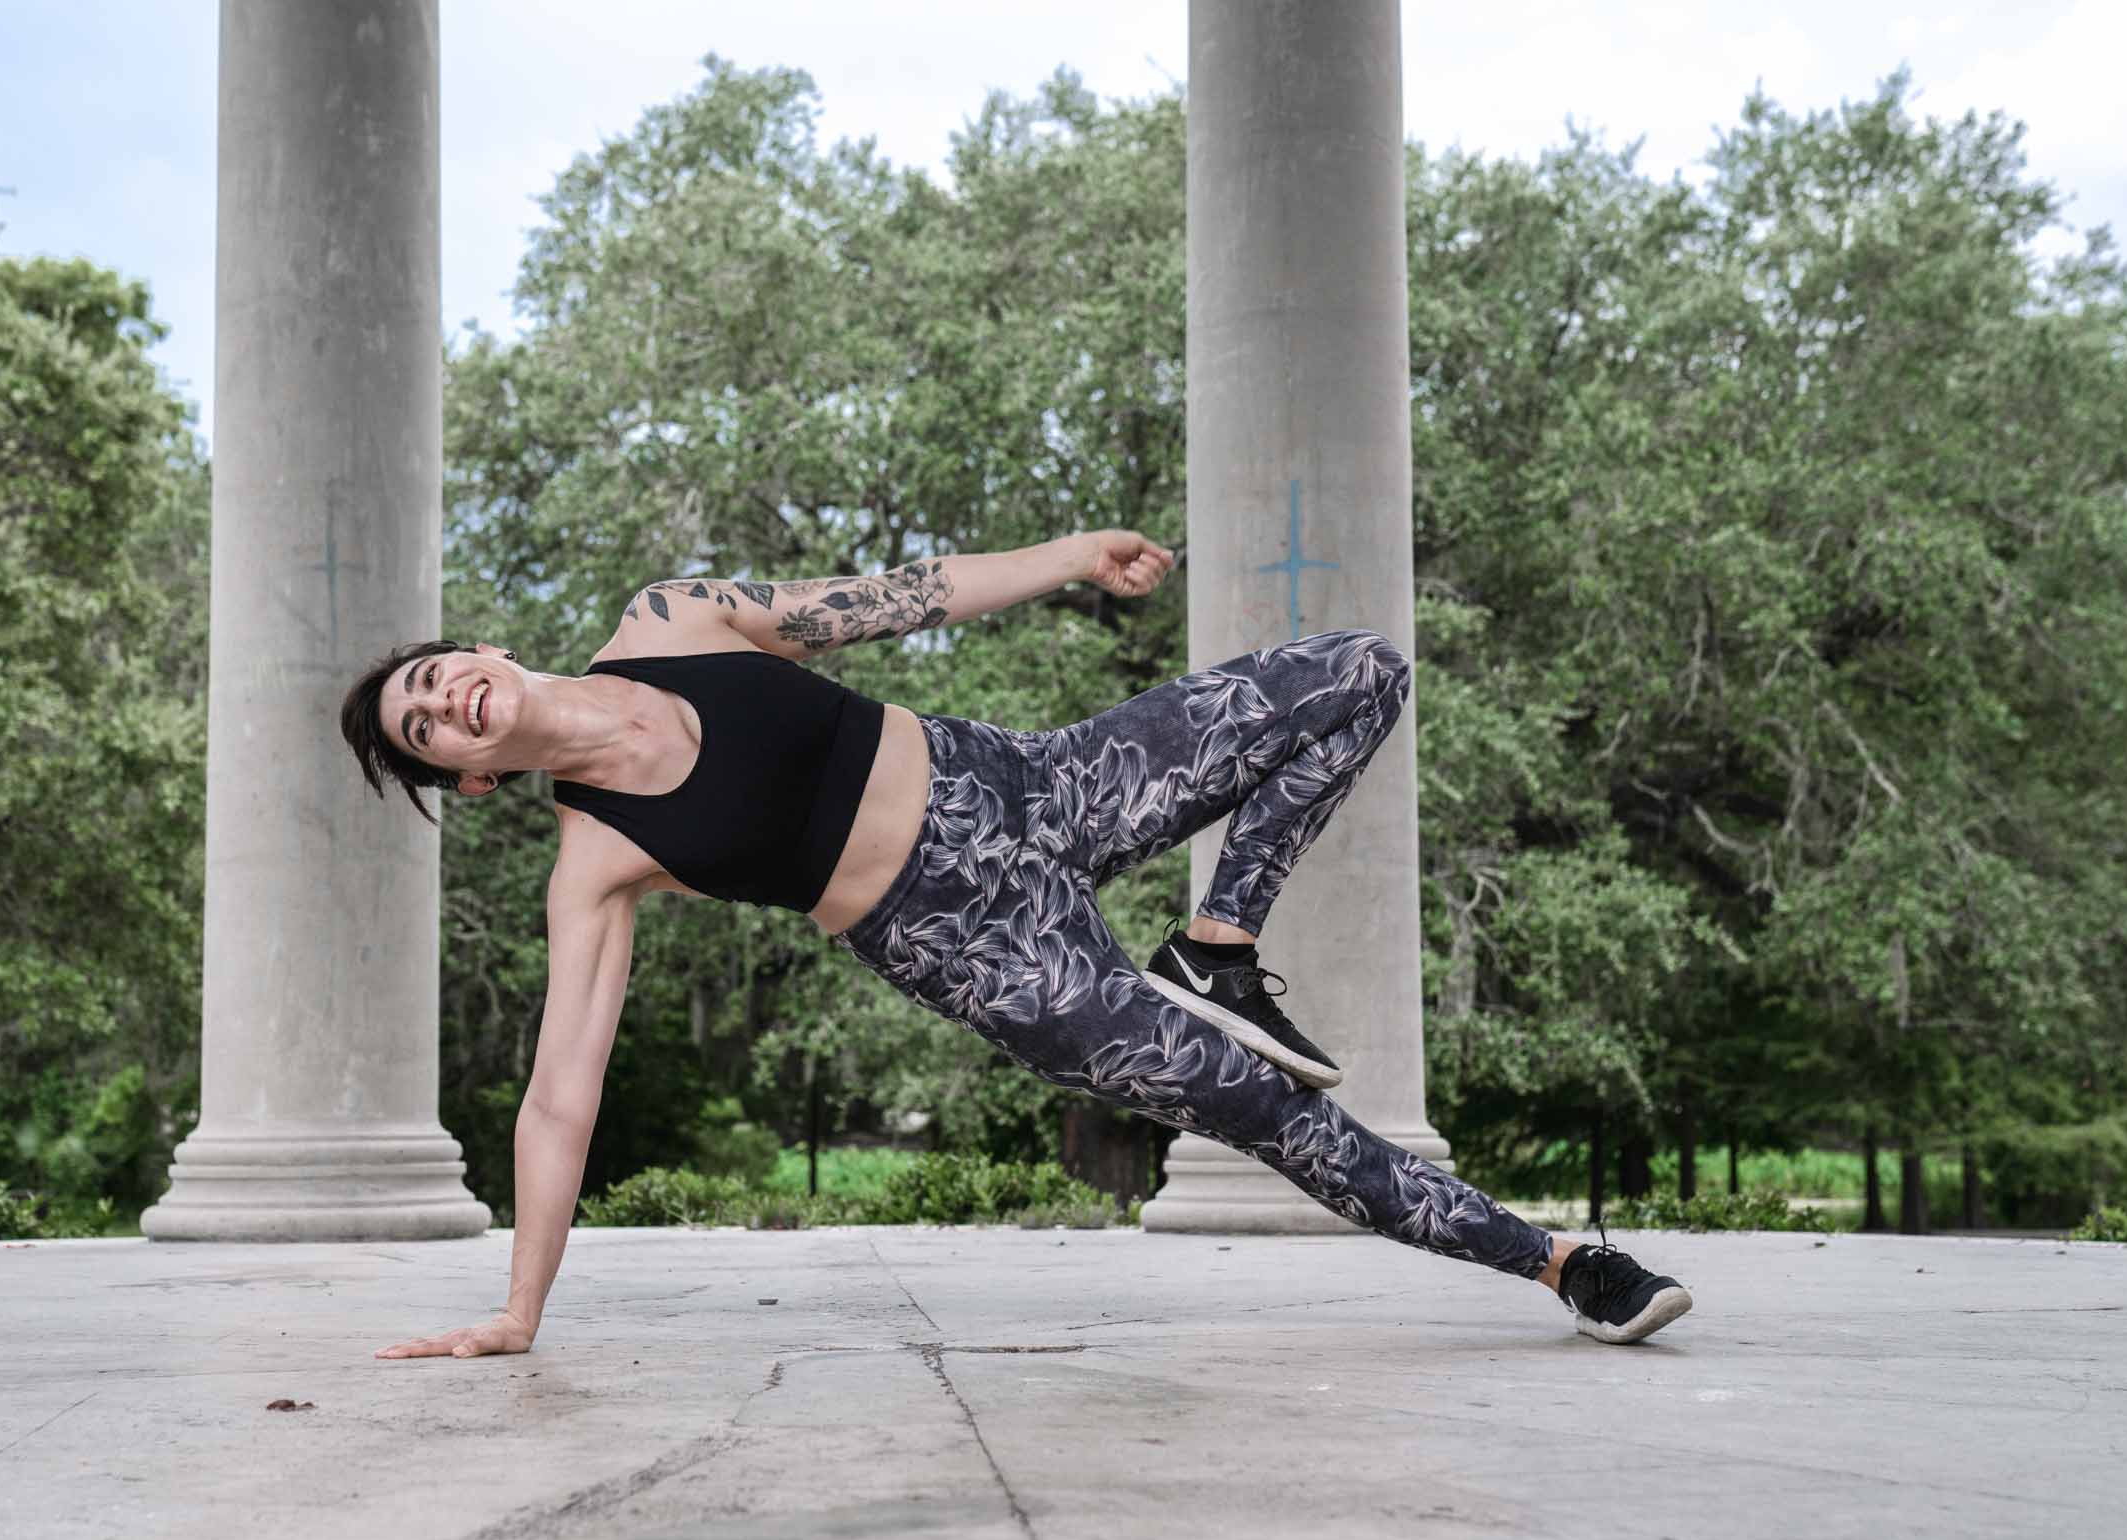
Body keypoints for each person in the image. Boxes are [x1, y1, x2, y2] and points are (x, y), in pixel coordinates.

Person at [338, 530, 1692, 1360]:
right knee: (1262, 1107)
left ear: (484, 650)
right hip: (978, 946)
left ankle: (1218, 939)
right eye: (427, 731)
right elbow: (558, 1101)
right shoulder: (597, 864)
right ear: (466, 775)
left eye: (432, 678)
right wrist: (520, 1310)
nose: (446, 705)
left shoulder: (669, 616)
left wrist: (1067, 558)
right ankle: (1564, 1263)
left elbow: (892, 597)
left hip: (1035, 782)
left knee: (1359, 672)